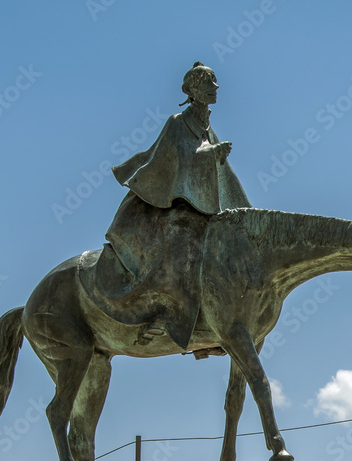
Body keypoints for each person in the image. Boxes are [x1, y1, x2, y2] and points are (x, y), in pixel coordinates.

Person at [90, 62, 251, 350]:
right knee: (181, 247)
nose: (214, 88)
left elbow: (218, 173)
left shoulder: (206, 125)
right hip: (168, 204)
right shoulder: (178, 122)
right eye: (207, 83)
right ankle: (163, 313)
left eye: (214, 82)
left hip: (198, 205)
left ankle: (215, 322)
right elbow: (176, 158)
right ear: (192, 90)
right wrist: (211, 153)